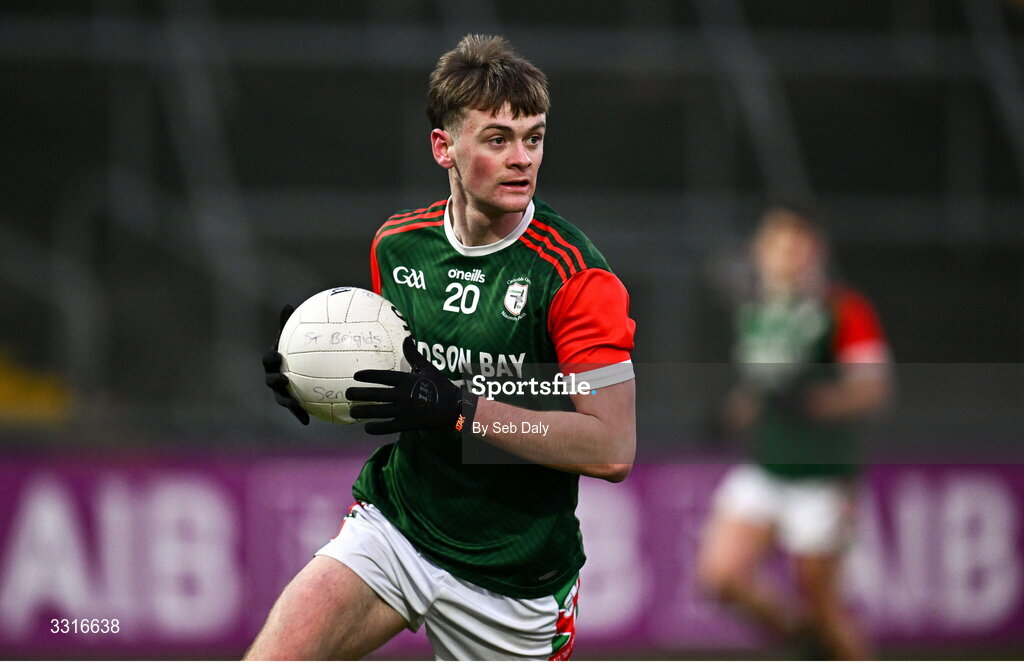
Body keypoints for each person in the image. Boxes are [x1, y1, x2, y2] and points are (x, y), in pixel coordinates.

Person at [250, 34, 636, 661]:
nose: (522, 160)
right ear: (444, 147)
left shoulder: (574, 277)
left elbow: (612, 447)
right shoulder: (398, 246)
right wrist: (314, 380)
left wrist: (460, 409)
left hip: (514, 579)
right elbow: (406, 390)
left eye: (533, 138)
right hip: (397, 527)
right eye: (497, 139)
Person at [696, 204, 892, 660]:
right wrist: (731, 415)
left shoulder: (842, 310)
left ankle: (820, 637)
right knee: (722, 577)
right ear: (760, 252)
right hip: (767, 468)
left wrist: (814, 402)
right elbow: (761, 387)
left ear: (814, 252)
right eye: (778, 243)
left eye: (797, 244)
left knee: (824, 605)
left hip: (822, 477)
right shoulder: (757, 313)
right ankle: (802, 636)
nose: (787, 254)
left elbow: (873, 390)